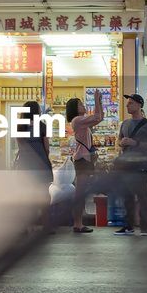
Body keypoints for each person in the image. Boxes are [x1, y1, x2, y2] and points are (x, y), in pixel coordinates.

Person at [65, 92, 104, 234]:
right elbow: (97, 117)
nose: (83, 106)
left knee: (81, 191)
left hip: (84, 159)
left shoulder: (80, 121)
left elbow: (99, 118)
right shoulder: (77, 120)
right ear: (75, 109)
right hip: (82, 160)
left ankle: (78, 223)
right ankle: (77, 224)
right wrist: (95, 100)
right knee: (80, 192)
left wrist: (99, 101)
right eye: (80, 104)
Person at [114, 94, 147, 236]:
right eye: (127, 103)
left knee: (142, 197)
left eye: (130, 103)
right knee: (127, 196)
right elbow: (118, 140)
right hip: (126, 165)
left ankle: (144, 227)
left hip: (141, 164)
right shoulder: (124, 124)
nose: (127, 105)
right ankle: (128, 225)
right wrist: (121, 143)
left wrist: (135, 143)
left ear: (139, 105)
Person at [13, 100, 54, 227]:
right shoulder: (42, 126)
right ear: (37, 112)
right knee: (44, 194)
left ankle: (26, 225)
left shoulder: (19, 126)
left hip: (25, 164)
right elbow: (46, 147)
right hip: (41, 163)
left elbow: (20, 146)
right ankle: (46, 224)